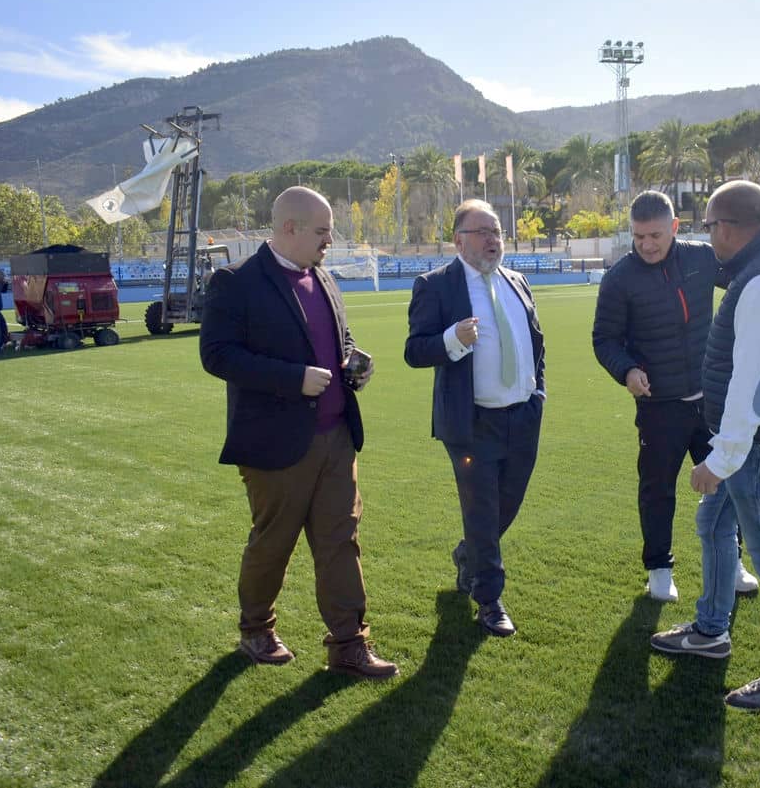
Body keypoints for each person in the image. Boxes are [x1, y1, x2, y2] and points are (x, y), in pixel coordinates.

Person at [592, 191, 760, 603]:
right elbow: (604, 339)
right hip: (659, 405)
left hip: (712, 402)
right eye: (638, 236)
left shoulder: (699, 257)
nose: (646, 245)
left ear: (675, 228)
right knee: (657, 488)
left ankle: (731, 563)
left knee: (729, 484)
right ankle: (659, 569)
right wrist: (626, 370)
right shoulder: (620, 278)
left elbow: (755, 267)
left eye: (655, 235)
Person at [199, 186, 398, 680]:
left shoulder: (324, 278)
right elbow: (217, 355)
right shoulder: (235, 282)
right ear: (289, 228)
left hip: (336, 437)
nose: (330, 240)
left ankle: (350, 644)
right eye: (322, 231)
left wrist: (354, 362)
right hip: (276, 444)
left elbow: (339, 340)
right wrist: (294, 379)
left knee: (341, 542)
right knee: (274, 542)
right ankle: (256, 630)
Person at [649, 180, 760, 711]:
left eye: (708, 225)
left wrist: (720, 460)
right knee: (714, 525)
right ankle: (710, 630)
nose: (709, 237)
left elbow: (755, 382)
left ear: (727, 228)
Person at [404, 199, 545, 637]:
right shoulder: (436, 286)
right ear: (458, 239)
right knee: (483, 510)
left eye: (497, 231)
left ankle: (469, 554)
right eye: (482, 231)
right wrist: (452, 338)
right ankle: (488, 599)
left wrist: (537, 392)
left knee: (507, 505)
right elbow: (414, 350)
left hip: (522, 416)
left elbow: (536, 342)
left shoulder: (516, 280)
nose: (492, 240)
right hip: (473, 423)